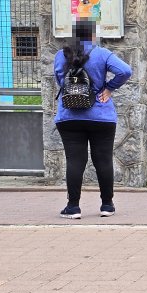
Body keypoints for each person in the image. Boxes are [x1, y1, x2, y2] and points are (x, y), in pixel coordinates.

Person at [53, 19, 132, 219]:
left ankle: (73, 207)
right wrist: (109, 89)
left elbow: (60, 81)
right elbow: (125, 71)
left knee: (75, 160)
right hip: (101, 116)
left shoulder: (61, 56)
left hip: (69, 116)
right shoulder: (102, 54)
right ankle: (107, 205)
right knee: (103, 159)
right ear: (93, 35)